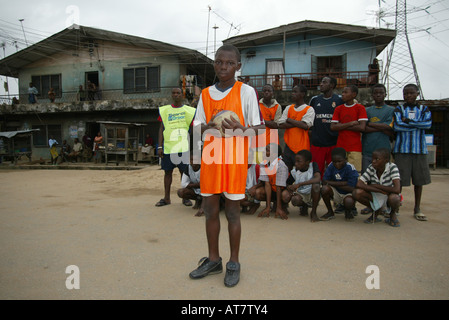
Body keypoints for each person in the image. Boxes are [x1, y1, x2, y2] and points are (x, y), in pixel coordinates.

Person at [189, 44, 264, 287]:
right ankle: (213, 259)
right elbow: (197, 127)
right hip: (211, 157)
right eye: (220, 62)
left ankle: (233, 262)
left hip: (234, 159)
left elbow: (260, 130)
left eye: (229, 63)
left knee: (232, 212)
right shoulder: (206, 94)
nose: (224, 66)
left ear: (238, 66)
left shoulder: (246, 92)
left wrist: (241, 130)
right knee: (210, 209)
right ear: (214, 63)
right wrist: (208, 126)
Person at [392, 84, 432, 222]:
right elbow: (397, 126)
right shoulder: (399, 109)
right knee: (400, 180)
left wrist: (408, 122)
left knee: (419, 181)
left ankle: (417, 208)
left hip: (419, 150)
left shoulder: (424, 109)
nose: (408, 96)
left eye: (411, 93)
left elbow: (427, 125)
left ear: (417, 93)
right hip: (402, 150)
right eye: (405, 93)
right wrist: (417, 124)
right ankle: (396, 208)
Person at [155, 87, 196, 207]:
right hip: (168, 148)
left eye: (178, 93)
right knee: (167, 173)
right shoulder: (165, 110)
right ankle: (166, 198)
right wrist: (159, 147)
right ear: (171, 95)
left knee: (184, 173)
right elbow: (161, 128)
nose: (176, 95)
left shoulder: (189, 111)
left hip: (183, 148)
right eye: (174, 93)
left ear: (182, 95)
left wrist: (193, 147)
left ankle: (185, 197)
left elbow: (193, 130)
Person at [360, 83, 395, 215]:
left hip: (384, 151)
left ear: (385, 94)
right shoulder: (367, 110)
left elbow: (389, 127)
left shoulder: (391, 110)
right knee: (368, 179)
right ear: (372, 95)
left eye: (381, 93)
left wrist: (371, 125)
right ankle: (371, 205)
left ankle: (385, 206)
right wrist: (380, 126)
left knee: (385, 180)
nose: (378, 95)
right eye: (376, 93)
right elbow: (364, 128)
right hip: (368, 150)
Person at [353, 148, 401, 227]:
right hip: (376, 195)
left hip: (389, 196)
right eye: (373, 158)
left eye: (377, 159)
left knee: (395, 198)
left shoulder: (392, 167)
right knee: (357, 193)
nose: (373, 161)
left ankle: (392, 215)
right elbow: (359, 184)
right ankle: (377, 210)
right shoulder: (371, 167)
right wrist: (378, 190)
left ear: (386, 160)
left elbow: (397, 189)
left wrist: (376, 186)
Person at [309, 76, 343, 178]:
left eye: (324, 82)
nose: (321, 84)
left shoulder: (340, 100)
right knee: (316, 171)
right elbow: (310, 119)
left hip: (334, 143)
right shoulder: (315, 100)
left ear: (332, 85)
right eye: (321, 82)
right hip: (318, 143)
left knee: (333, 172)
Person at [331, 85, 368, 173]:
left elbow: (362, 127)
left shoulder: (360, 108)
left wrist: (341, 125)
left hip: (355, 148)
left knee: (354, 173)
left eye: (345, 92)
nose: (342, 94)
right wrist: (351, 123)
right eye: (342, 92)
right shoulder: (338, 109)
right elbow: (333, 127)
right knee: (340, 172)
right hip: (341, 147)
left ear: (353, 94)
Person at [278, 84, 315, 171]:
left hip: (301, 147)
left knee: (300, 171)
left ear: (302, 94)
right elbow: (281, 124)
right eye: (292, 91)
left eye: (295, 92)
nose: (292, 94)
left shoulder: (309, 109)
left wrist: (290, 120)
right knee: (286, 170)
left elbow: (305, 126)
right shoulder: (288, 108)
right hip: (288, 146)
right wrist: (299, 123)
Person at [320, 147, 359, 222]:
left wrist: (332, 183)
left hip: (347, 193)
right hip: (336, 192)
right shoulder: (331, 165)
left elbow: (351, 188)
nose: (337, 164)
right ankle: (330, 212)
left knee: (349, 201)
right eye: (334, 161)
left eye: (339, 161)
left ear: (345, 159)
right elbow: (324, 181)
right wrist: (345, 183)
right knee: (324, 189)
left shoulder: (350, 168)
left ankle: (348, 211)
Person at [282, 149, 321, 222]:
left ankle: (314, 212)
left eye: (299, 162)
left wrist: (299, 184)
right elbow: (287, 183)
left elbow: (318, 179)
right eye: (295, 161)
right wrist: (289, 187)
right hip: (301, 194)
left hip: (312, 193)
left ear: (307, 162)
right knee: (295, 199)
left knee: (316, 186)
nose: (296, 164)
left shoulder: (313, 166)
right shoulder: (295, 171)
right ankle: (304, 206)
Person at [257, 143, 289, 220]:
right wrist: (267, 207)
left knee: (285, 196)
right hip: (272, 189)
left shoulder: (281, 165)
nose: (264, 152)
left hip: (281, 190)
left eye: (267, 150)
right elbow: (267, 184)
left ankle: (280, 206)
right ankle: (270, 206)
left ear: (274, 154)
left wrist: (279, 207)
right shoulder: (264, 164)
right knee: (258, 192)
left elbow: (279, 187)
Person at [253, 84, 282, 162]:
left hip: (272, 139)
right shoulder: (257, 105)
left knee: (271, 164)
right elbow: (254, 122)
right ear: (262, 93)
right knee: (258, 163)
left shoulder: (277, 106)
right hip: (258, 139)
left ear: (273, 93)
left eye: (269, 91)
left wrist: (262, 121)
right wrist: (270, 123)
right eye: (264, 91)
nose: (266, 92)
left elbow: (276, 125)